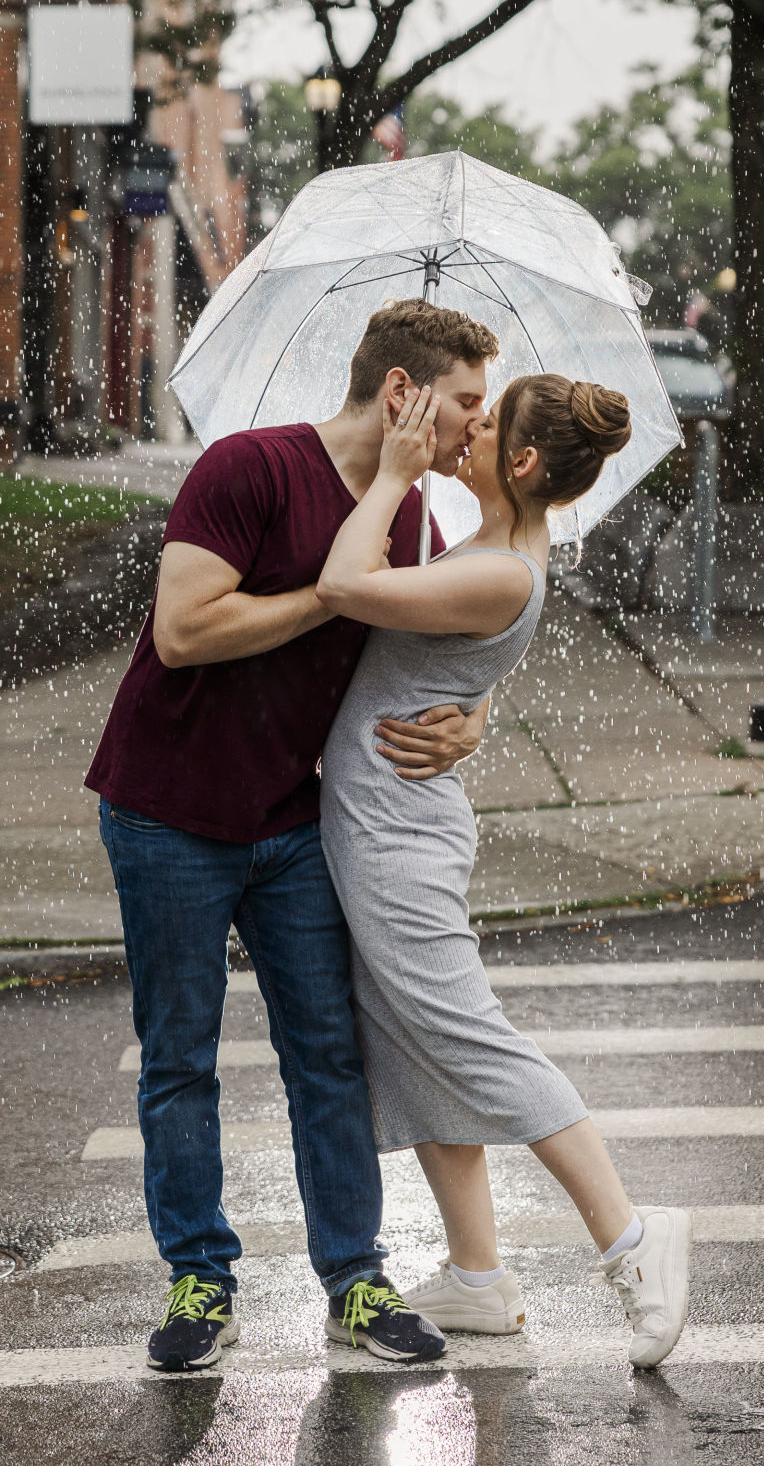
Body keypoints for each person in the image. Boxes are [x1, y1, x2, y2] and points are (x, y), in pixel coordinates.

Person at [87, 299, 502, 1371]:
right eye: (463, 400)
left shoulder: (407, 520)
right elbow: (183, 630)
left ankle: (354, 1278)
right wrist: (328, 596)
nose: (477, 422)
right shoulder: (249, 467)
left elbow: (452, 641)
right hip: (166, 808)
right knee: (179, 1056)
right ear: (403, 393)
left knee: (328, 1052)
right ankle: (199, 1277)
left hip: (292, 817)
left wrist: (472, 717)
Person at [316, 374, 692, 1368]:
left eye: (482, 424)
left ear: (521, 462)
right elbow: (446, 659)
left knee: (467, 1038)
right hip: (389, 822)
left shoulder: (502, 567)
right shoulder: (493, 543)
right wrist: (472, 709)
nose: (463, 429)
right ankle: (477, 1276)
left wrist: (391, 478)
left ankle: (632, 1240)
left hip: (398, 837)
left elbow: (342, 585)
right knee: (411, 1042)